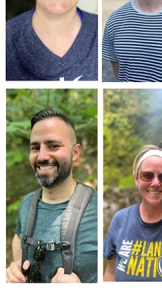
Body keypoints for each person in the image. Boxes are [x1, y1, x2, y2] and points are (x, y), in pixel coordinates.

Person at [6, 110, 97, 283]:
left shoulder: (98, 209)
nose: (41, 156)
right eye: (35, 148)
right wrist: (13, 271)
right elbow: (18, 239)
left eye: (53, 146)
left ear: (75, 152)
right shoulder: (27, 204)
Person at [103, 144, 162, 281]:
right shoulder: (120, 219)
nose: (156, 183)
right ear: (136, 178)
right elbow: (110, 274)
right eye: (147, 175)